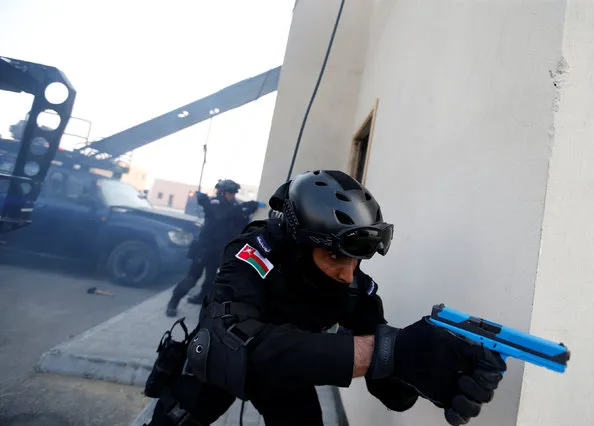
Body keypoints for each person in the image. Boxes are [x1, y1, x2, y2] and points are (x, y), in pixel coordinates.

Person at [150, 170, 506, 426]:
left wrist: (425, 368)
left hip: (287, 375)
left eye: (357, 260)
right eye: (335, 256)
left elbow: (390, 387)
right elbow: (228, 347)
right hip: (213, 371)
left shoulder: (353, 286)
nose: (348, 274)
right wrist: (385, 352)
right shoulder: (252, 254)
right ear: (299, 245)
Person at [166, 179, 259, 317]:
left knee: (211, 279)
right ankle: (173, 303)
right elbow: (220, 216)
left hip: (219, 250)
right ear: (221, 193)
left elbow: (239, 223)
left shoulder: (233, 206)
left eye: (234, 193)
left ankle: (200, 298)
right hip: (205, 248)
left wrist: (249, 210)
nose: (232, 196)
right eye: (229, 193)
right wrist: (241, 208)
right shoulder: (214, 203)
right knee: (192, 278)